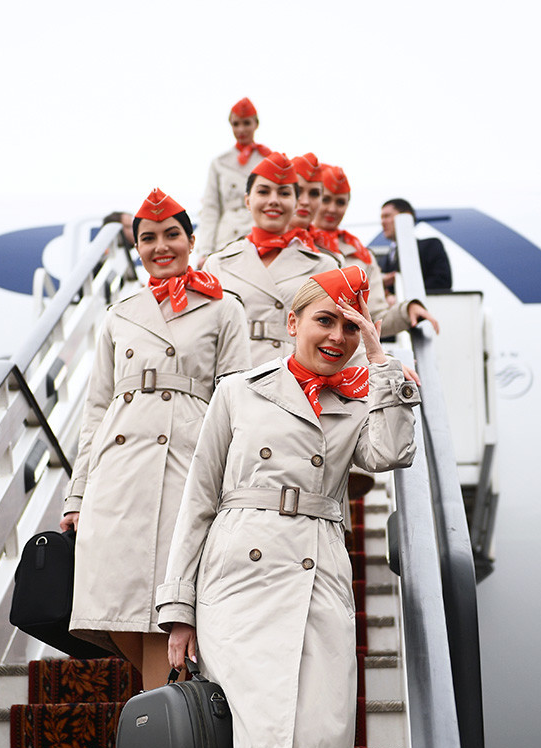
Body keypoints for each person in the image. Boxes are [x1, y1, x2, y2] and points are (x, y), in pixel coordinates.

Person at [156, 266, 420, 748]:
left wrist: (378, 356)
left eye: (350, 326)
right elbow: (198, 501)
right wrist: (178, 611)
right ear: (292, 321)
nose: (336, 338)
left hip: (319, 576)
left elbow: (391, 454)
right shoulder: (238, 391)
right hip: (241, 582)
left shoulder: (359, 399)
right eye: (325, 321)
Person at [62, 189, 251, 689]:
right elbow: (96, 409)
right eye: (148, 238)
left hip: (188, 461)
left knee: (168, 609)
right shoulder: (119, 313)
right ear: (137, 246)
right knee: (122, 610)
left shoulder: (224, 309)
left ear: (192, 240)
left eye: (172, 235)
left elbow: (238, 403)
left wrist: (233, 483)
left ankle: (164, 729)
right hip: (118, 475)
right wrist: (77, 493)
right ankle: (161, 723)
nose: (160, 246)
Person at [206, 151, 340, 364]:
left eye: (284, 194)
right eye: (263, 192)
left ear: (296, 204)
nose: (274, 201)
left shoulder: (324, 265)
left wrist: (382, 361)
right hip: (234, 381)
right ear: (248, 201)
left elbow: (343, 335)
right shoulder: (217, 264)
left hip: (296, 381)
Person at [313, 166, 440, 337]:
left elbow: (375, 318)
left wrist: (406, 310)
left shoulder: (361, 256)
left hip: (343, 353)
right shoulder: (293, 243)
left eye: (340, 202)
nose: (332, 209)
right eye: (326, 199)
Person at [196, 97, 273, 261]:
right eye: (236, 124)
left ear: (256, 124)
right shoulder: (219, 163)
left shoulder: (270, 160)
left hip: (259, 235)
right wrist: (205, 251)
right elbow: (211, 209)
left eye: (246, 123)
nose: (241, 129)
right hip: (226, 238)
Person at [379, 197, 452, 293]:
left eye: (387, 216)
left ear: (406, 216)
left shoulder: (431, 247)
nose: (382, 222)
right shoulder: (383, 260)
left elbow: (441, 282)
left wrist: (403, 296)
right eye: (382, 218)